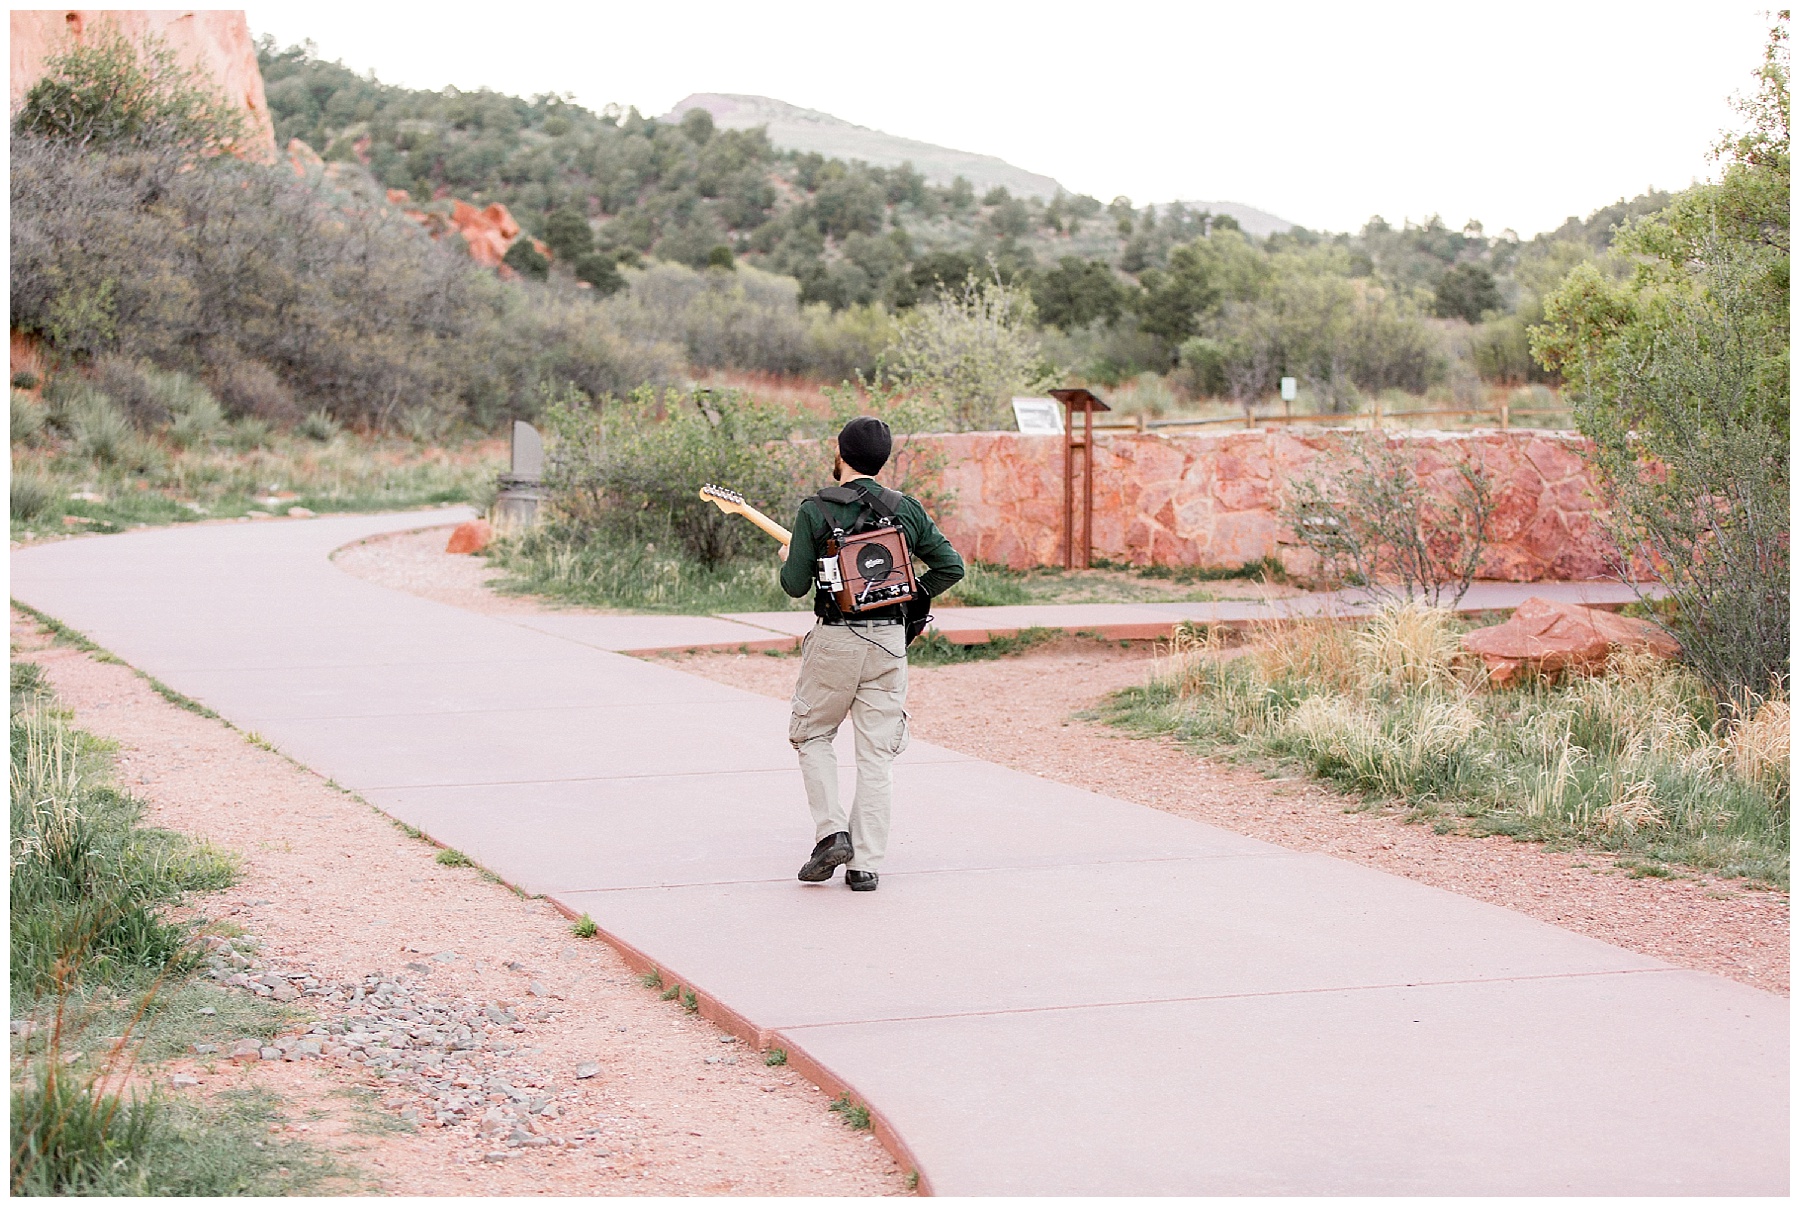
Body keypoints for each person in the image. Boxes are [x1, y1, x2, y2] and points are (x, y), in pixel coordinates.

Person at [777, 416, 964, 891]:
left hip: (837, 638)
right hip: (888, 643)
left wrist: (789, 560)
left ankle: (831, 834)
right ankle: (866, 865)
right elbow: (951, 566)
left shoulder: (815, 510)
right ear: (881, 461)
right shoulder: (907, 509)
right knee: (876, 754)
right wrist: (910, 597)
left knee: (813, 734)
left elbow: (795, 586)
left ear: (839, 454)